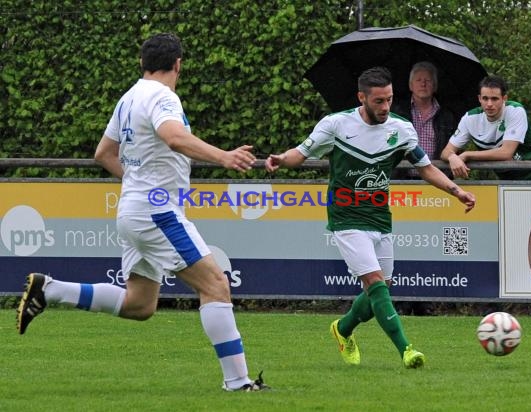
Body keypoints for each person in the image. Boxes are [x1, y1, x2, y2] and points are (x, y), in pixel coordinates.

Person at [16, 33, 269, 392]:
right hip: (157, 211)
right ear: (178, 64)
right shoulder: (161, 96)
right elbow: (174, 137)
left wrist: (136, 182)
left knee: (139, 304)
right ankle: (238, 382)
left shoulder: (130, 96)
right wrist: (224, 156)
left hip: (134, 208)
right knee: (216, 285)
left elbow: (103, 153)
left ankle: (51, 290)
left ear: (142, 63)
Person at [265, 66, 476, 368]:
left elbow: (425, 167)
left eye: (389, 99)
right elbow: (300, 153)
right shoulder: (337, 124)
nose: (385, 107)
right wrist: (280, 159)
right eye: (378, 101)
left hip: (379, 217)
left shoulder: (401, 129)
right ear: (361, 97)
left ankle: (343, 328)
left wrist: (457, 191)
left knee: (381, 289)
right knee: (376, 283)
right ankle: (406, 349)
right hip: (346, 217)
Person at [440, 75, 531, 181]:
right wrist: (452, 157)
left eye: (494, 99)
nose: (489, 104)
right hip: (511, 179)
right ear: (479, 99)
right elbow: (446, 152)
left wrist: (467, 154)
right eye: (485, 98)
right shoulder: (469, 118)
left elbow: (506, 153)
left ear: (504, 99)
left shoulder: (515, 110)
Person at [391, 61, 458, 179]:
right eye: (418, 80)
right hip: (401, 180)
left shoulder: (447, 116)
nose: (423, 84)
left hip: (438, 181)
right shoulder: (396, 112)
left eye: (428, 80)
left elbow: (454, 147)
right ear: (411, 85)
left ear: (435, 86)